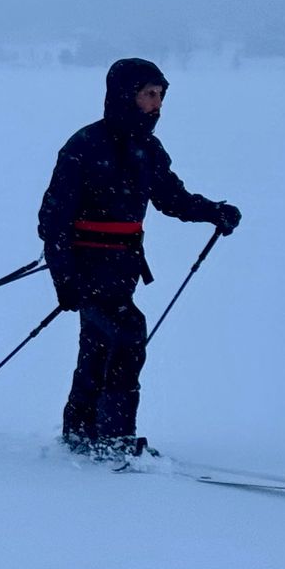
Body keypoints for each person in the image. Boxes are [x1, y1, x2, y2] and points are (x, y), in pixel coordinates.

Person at [37, 58, 240, 458]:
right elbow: (53, 219)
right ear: (125, 95)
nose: (157, 103)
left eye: (161, 95)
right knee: (127, 334)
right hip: (88, 266)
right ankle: (114, 440)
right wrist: (64, 279)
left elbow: (171, 198)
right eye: (149, 94)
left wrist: (214, 211)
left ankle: (82, 433)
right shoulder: (84, 145)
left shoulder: (148, 148)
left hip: (124, 266)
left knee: (98, 345)